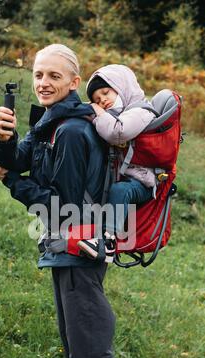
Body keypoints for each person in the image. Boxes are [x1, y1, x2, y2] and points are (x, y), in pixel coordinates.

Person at [0, 44, 118, 358]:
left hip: (80, 251)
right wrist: (3, 140)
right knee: (74, 343)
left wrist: (9, 180)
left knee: (90, 352)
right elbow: (17, 160)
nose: (43, 83)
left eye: (54, 76)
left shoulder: (74, 131)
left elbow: (62, 208)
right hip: (62, 248)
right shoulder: (49, 121)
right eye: (38, 75)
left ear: (74, 82)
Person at [77, 64, 156, 260]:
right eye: (96, 99)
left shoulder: (141, 111)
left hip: (143, 181)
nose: (102, 100)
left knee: (120, 191)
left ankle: (107, 243)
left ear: (122, 88)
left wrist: (95, 110)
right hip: (127, 177)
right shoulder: (119, 113)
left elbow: (117, 133)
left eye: (106, 93)